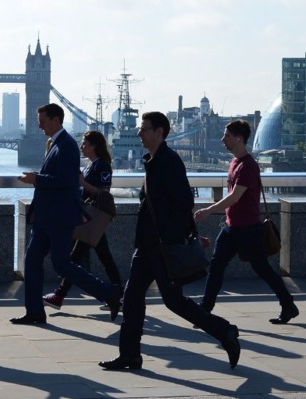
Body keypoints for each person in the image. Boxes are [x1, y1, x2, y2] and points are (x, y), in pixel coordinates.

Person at [99, 112, 240, 371]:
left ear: (159, 132)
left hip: (161, 246)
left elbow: (183, 202)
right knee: (131, 299)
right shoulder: (152, 160)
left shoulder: (169, 161)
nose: (140, 133)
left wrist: (177, 238)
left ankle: (225, 331)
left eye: (144, 129)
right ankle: (130, 355)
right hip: (147, 245)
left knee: (173, 302)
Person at [11, 103, 122, 325]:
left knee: (62, 264)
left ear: (56, 120)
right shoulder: (54, 143)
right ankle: (34, 311)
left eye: (42, 121)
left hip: (60, 217)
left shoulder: (67, 146)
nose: (39, 125)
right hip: (45, 217)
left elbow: (66, 181)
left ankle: (109, 293)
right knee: (32, 261)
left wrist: (37, 179)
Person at [194, 120, 299, 324]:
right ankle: (204, 311)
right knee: (216, 266)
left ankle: (288, 305)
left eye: (226, 135)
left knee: (263, 269)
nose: (223, 139)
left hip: (249, 229)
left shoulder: (248, 166)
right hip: (231, 227)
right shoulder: (234, 162)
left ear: (238, 139)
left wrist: (209, 210)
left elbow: (235, 197)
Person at [42, 130, 122, 310]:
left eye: (85, 144)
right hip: (87, 217)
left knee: (76, 258)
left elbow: (104, 192)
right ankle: (118, 295)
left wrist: (83, 183)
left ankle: (60, 295)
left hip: (94, 217)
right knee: (99, 257)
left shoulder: (102, 166)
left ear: (94, 145)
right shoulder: (89, 166)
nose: (81, 147)